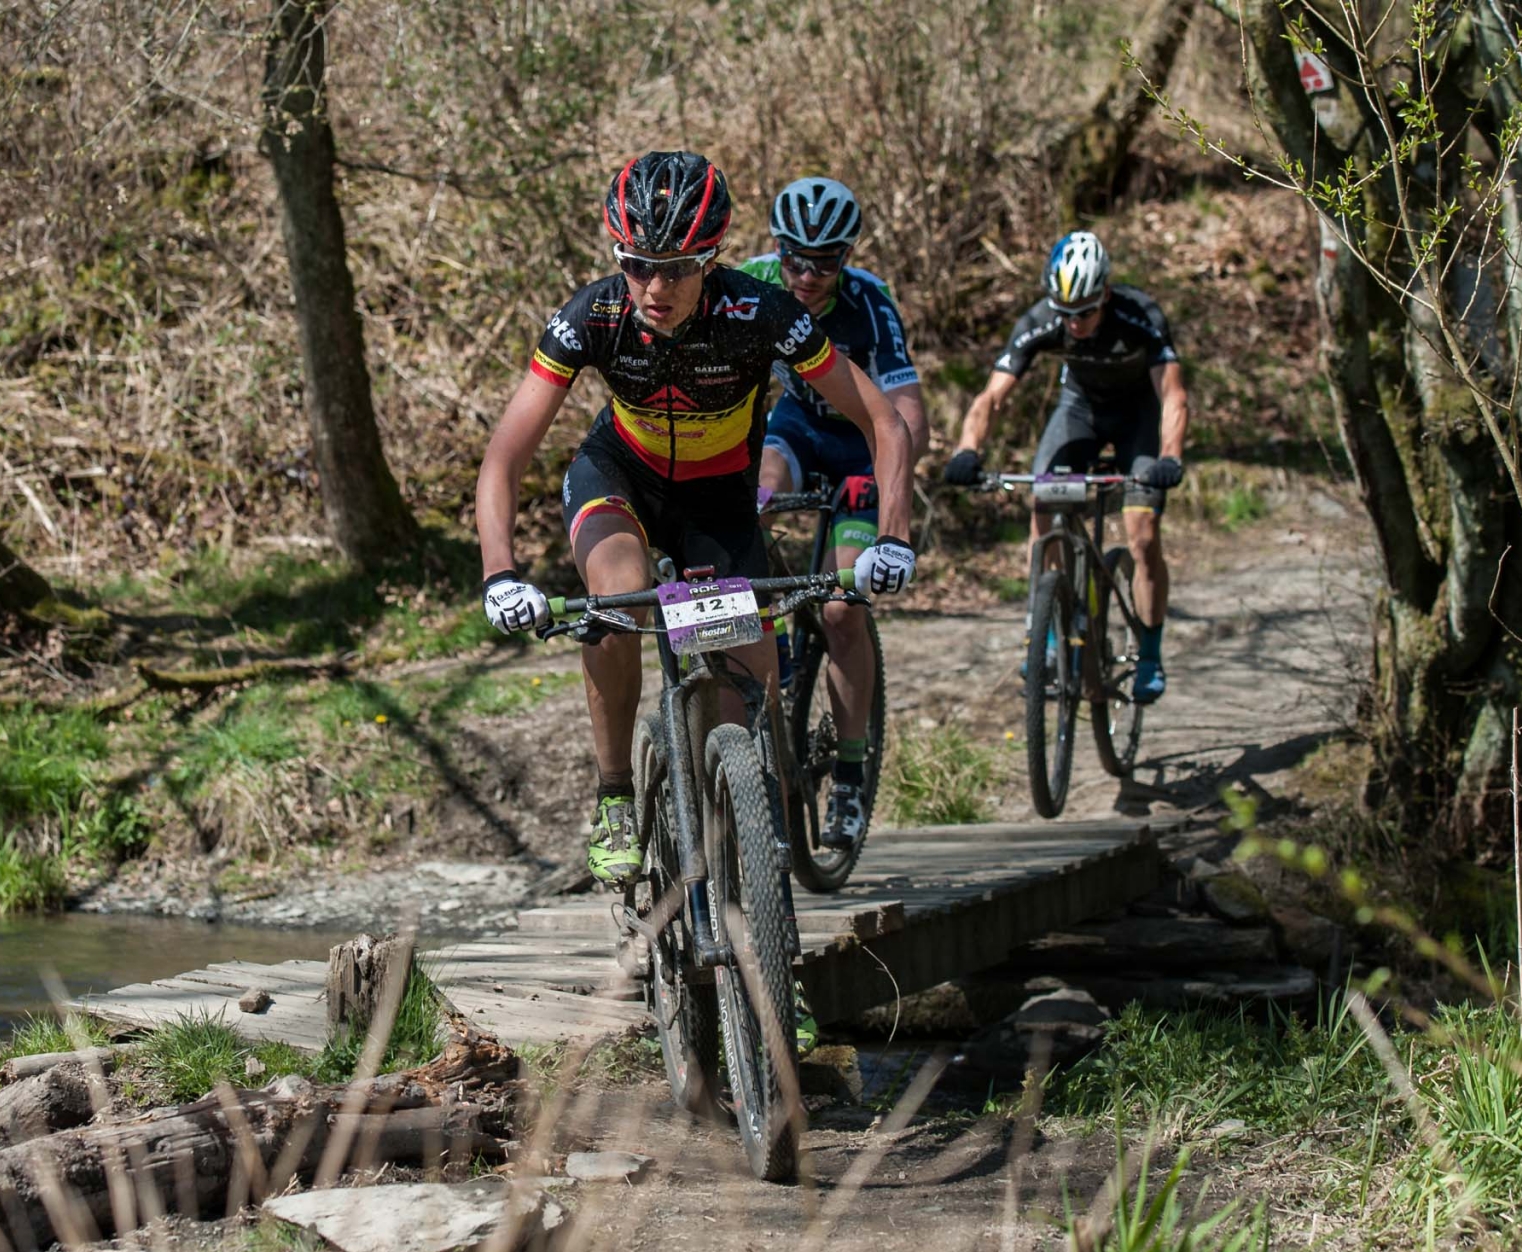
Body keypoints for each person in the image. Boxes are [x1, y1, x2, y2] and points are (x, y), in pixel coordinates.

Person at [474, 151, 919, 890]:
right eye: (637, 263)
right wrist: (499, 573)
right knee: (616, 601)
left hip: (717, 500)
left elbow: (883, 420)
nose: (655, 286)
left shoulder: (761, 312)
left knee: (746, 709)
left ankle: (745, 887)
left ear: (711, 258)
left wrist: (894, 535)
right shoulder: (594, 315)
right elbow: (503, 458)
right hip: (619, 479)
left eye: (678, 266)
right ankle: (615, 794)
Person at [740, 176, 925, 851]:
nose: (806, 275)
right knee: (753, 492)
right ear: (777, 249)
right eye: (794, 258)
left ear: (846, 256)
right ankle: (775, 637)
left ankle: (849, 773)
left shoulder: (869, 304)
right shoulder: (753, 283)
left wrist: (890, 518)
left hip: (860, 447)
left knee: (846, 606)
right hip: (796, 426)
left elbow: (905, 417)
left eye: (824, 261)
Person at [942, 230, 1189, 701]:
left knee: (1142, 535)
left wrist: (1170, 456)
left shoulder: (1141, 316)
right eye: (1065, 313)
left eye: (1085, 313)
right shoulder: (1042, 319)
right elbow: (992, 397)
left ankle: (1151, 653)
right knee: (1042, 508)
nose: (1073, 324)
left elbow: (1173, 395)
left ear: (1106, 294)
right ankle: (1047, 638)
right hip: (1080, 412)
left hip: (1138, 416)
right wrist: (967, 449)